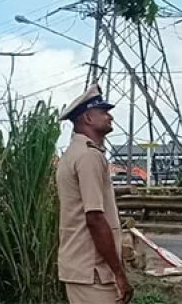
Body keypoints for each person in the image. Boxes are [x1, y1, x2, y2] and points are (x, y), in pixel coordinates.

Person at [56, 85, 133, 304]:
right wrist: (118, 272)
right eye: (103, 112)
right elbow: (95, 218)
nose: (110, 117)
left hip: (82, 267)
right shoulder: (89, 156)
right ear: (88, 118)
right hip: (93, 271)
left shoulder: (73, 154)